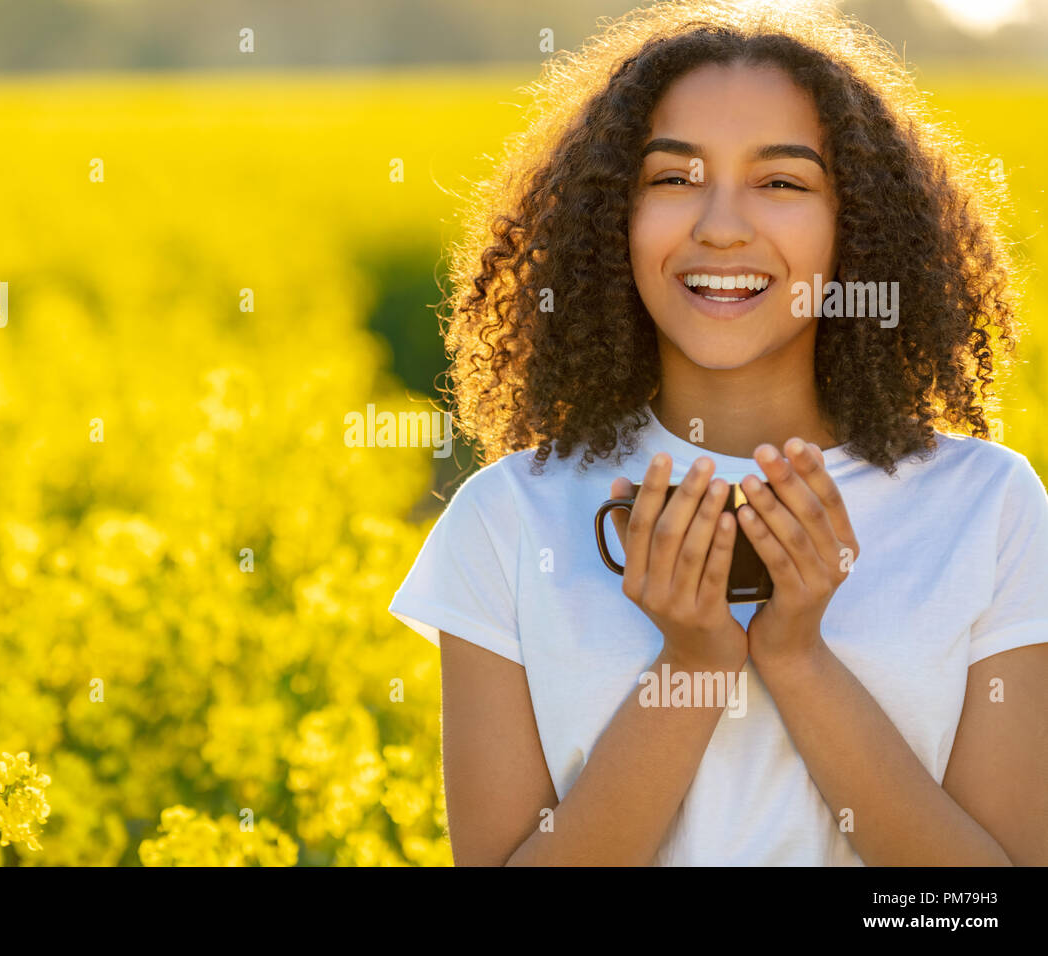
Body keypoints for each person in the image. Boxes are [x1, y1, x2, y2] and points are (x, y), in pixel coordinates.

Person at [388, 0, 1047, 866]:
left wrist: (799, 659)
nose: (721, 224)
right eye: (672, 178)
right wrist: (692, 662)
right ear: (609, 220)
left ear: (857, 227)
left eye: (781, 182)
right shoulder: (506, 520)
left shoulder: (990, 507)